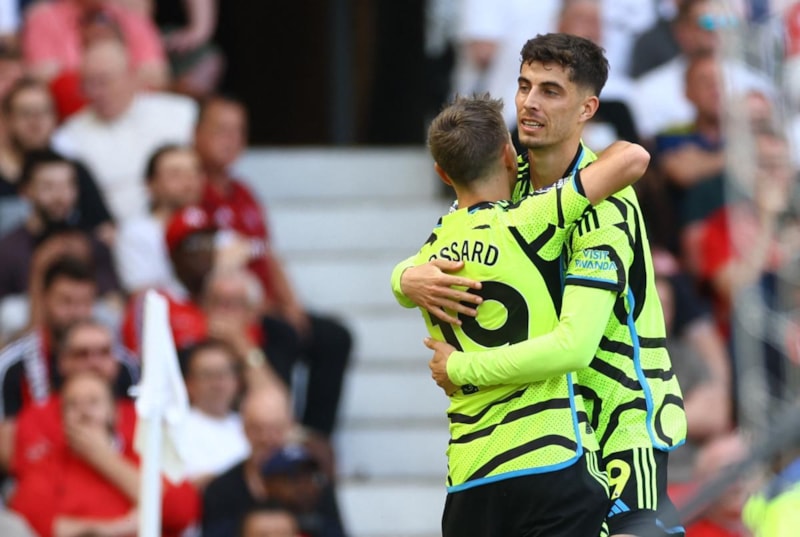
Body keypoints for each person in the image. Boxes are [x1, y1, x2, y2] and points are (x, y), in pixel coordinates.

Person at [394, 33, 687, 537]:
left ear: (586, 108)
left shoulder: (606, 205)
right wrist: (406, 277)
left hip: (619, 418)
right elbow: (450, 238)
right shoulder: (509, 178)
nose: (529, 102)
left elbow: (576, 346)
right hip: (550, 428)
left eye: (550, 91)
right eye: (524, 86)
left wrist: (461, 367)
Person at [195, 94, 352, 445]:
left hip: (265, 305)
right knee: (280, 333)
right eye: (221, 130)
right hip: (232, 308)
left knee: (334, 337)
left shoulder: (243, 193)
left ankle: (315, 441)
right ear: (197, 134)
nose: (231, 140)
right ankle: (277, 436)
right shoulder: (193, 193)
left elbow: (268, 254)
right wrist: (267, 309)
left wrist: (292, 303)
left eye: (238, 131)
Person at [8, 371, 200, 537]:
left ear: (114, 412)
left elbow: (182, 512)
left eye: (93, 402)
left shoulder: (144, 456)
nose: (84, 412)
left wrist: (104, 459)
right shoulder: (46, 466)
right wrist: (115, 529)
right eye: (73, 405)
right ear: (61, 416)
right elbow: (27, 521)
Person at [0, 256, 138, 469]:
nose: (76, 313)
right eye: (66, 302)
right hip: (37, 471)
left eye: (85, 303)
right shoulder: (12, 366)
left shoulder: (123, 364)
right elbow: (7, 453)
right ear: (44, 300)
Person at [52, 38, 196, 224]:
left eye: (104, 81)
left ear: (131, 75)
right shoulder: (68, 137)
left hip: (187, 223)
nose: (96, 92)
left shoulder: (181, 113)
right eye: (88, 83)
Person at [202, 387, 346, 537]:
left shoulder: (312, 483)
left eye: (275, 428)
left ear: (290, 427)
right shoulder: (222, 489)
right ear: (243, 429)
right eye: (257, 429)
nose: (266, 438)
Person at [0, 77, 113, 240]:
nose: (36, 122)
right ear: (6, 119)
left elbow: (106, 231)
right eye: (25, 113)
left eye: (43, 112)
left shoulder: (74, 168)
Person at [113, 143, 204, 295]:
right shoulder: (136, 232)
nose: (189, 182)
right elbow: (144, 296)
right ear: (150, 184)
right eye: (175, 174)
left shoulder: (211, 220)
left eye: (195, 172)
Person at [177, 339, 256, 489]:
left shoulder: (251, 425)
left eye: (224, 373)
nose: (217, 383)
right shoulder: (175, 426)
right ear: (189, 384)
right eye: (207, 375)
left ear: (237, 381)